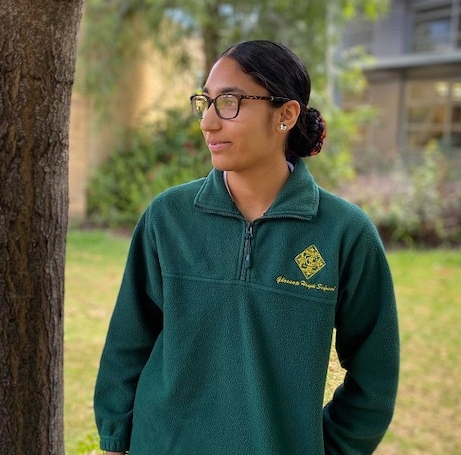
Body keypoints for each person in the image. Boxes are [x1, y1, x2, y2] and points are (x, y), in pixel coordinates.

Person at [93, 40, 399, 454]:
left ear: (286, 115)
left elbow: (375, 372)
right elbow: (128, 343)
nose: (207, 123)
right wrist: (115, 438)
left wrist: (335, 447)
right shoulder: (168, 219)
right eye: (205, 102)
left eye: (230, 102)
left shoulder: (345, 234)